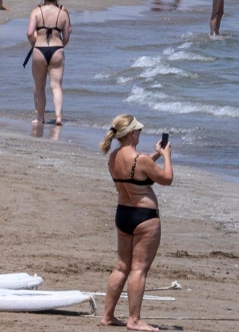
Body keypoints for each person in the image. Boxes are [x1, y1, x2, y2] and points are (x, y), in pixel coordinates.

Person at [100, 114, 172, 332]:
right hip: (144, 218)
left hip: (123, 214)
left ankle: (108, 316)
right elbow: (167, 179)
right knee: (139, 269)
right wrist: (167, 156)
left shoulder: (113, 156)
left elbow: (138, 172)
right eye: (138, 130)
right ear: (132, 133)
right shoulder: (139, 159)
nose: (140, 133)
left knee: (121, 267)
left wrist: (155, 156)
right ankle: (134, 320)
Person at [27, 0, 70, 126]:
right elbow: (67, 35)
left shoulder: (36, 11)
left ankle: (40, 117)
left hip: (39, 49)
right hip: (57, 49)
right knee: (56, 86)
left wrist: (34, 42)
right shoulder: (63, 13)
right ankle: (58, 116)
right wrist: (61, 44)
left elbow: (29, 33)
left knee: (39, 86)